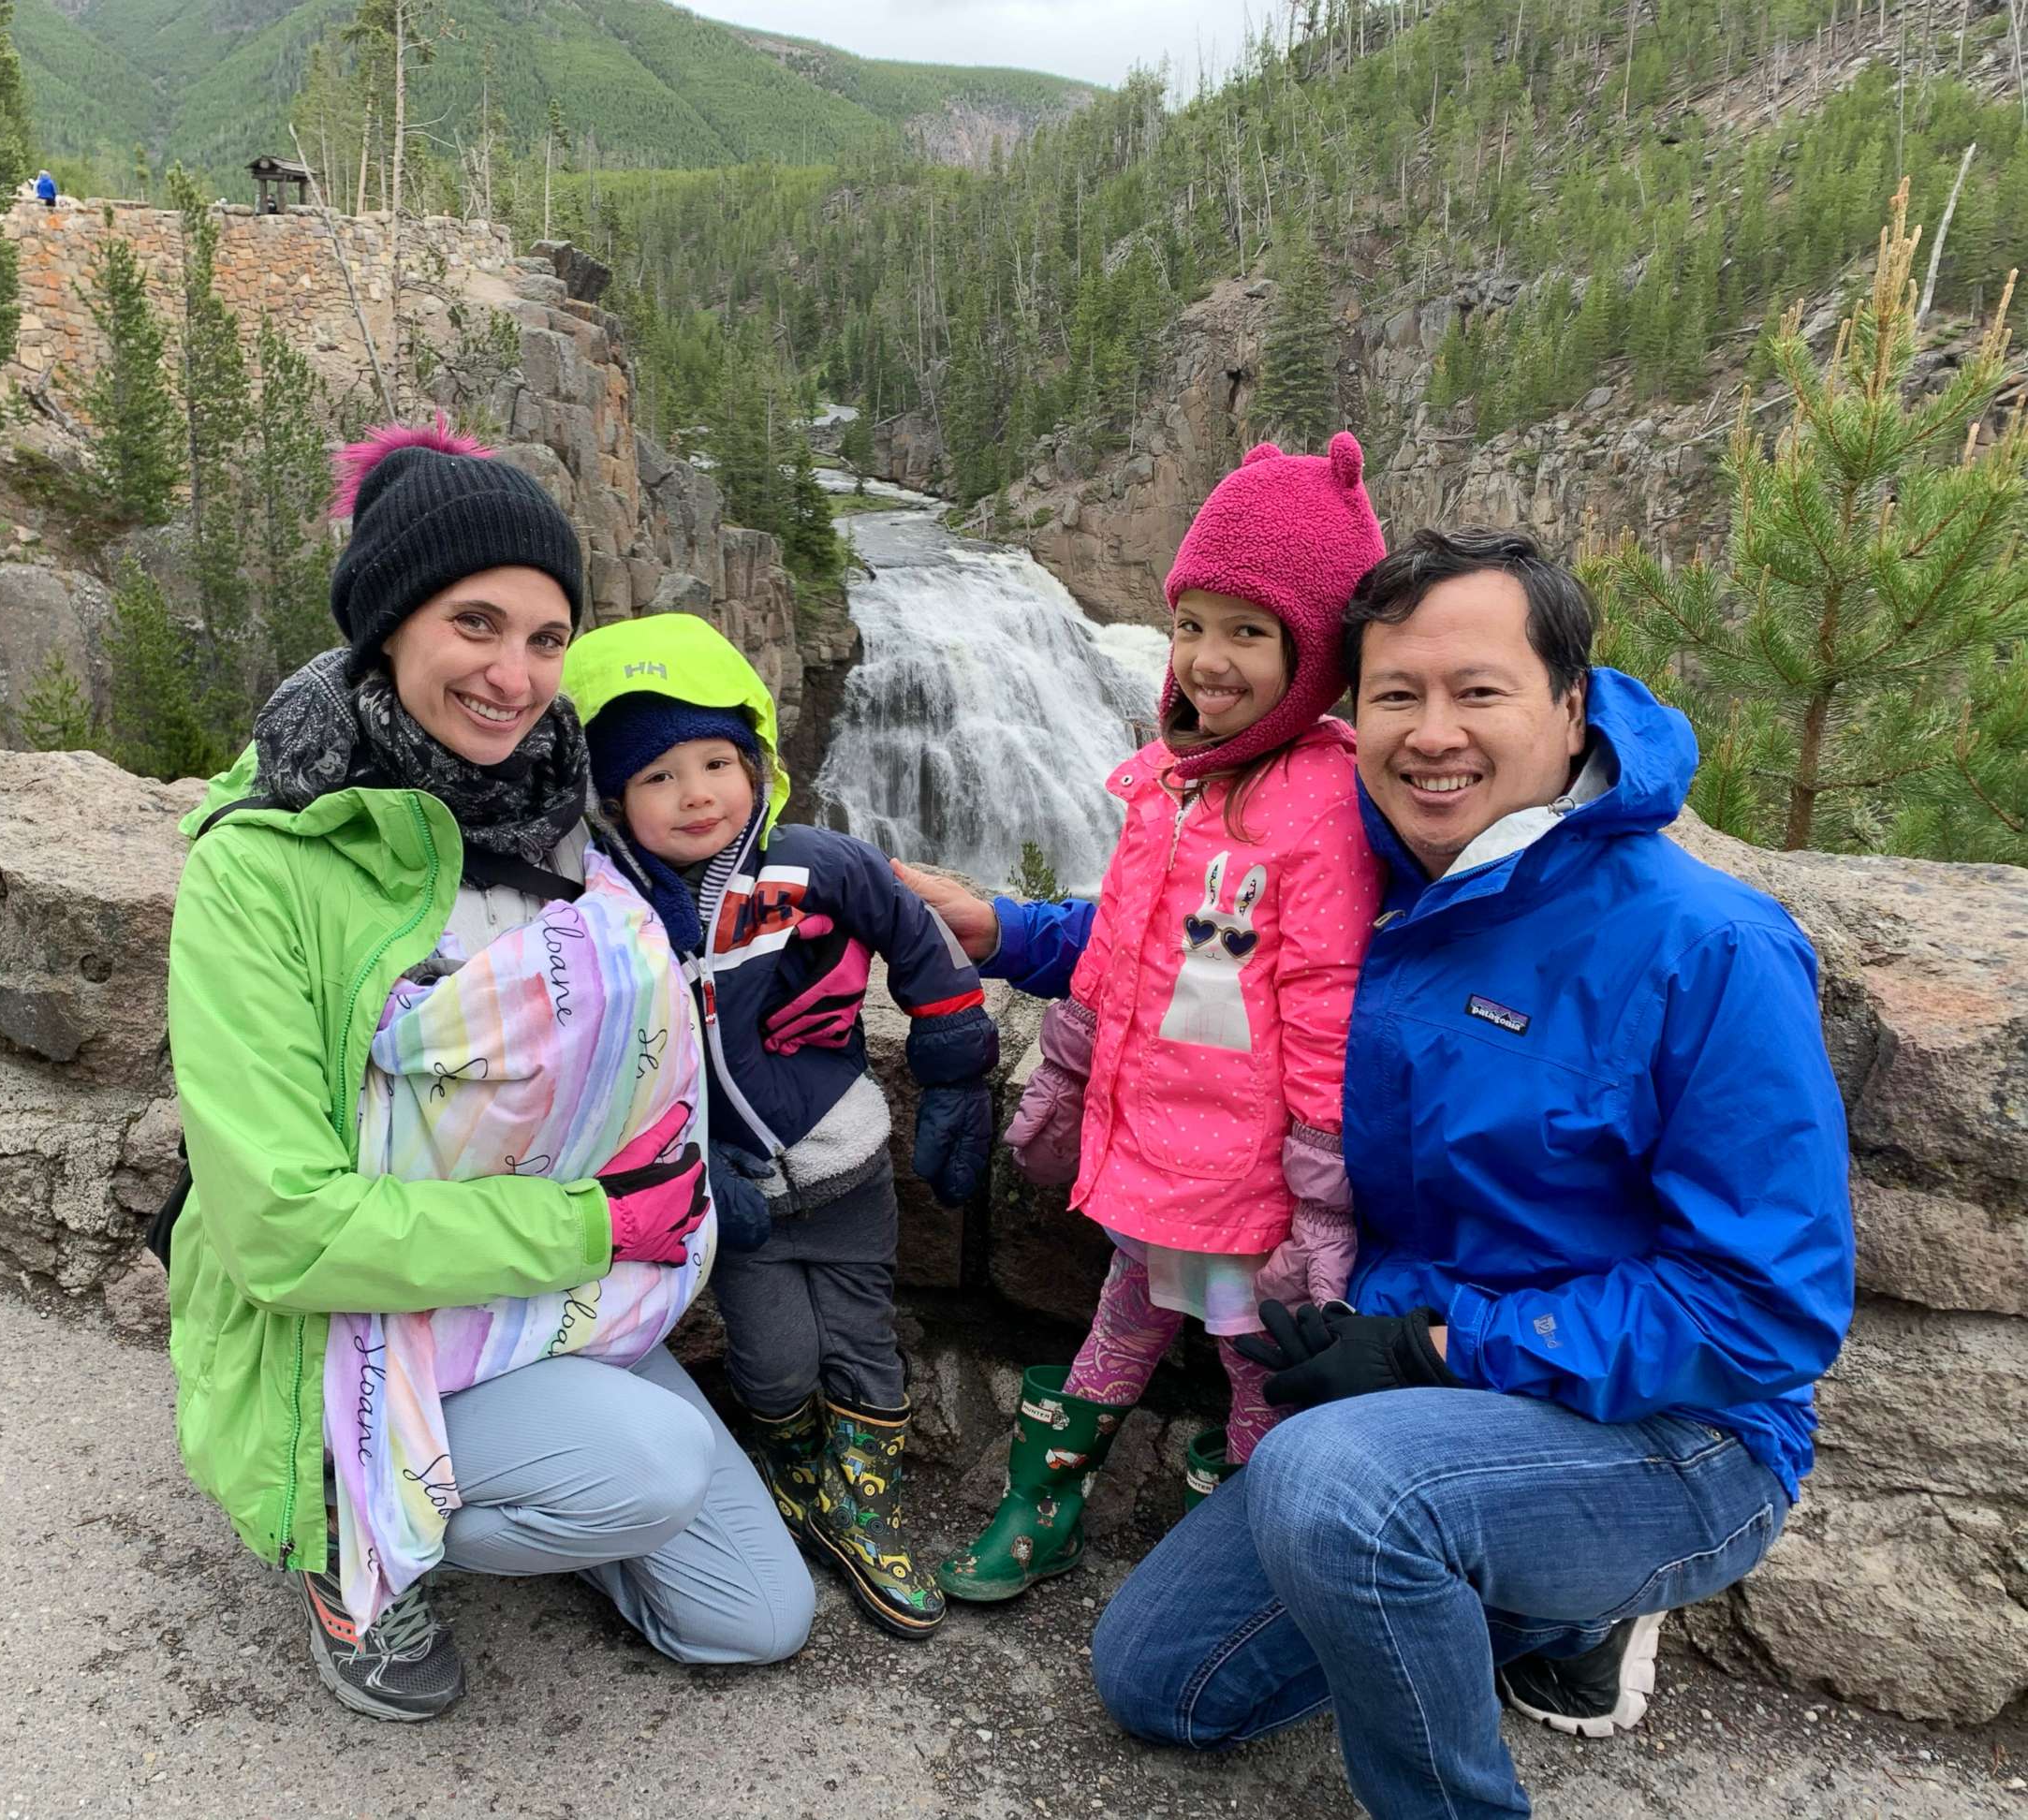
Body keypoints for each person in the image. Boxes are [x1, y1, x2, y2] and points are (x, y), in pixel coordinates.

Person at [897, 529, 1854, 1814]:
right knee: (1158, 1682)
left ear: (1573, 705)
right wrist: (1005, 931)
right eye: (1396, 695)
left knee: (1328, 1483)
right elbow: (1186, 945)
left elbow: (1767, 1314)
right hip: (1408, 1401)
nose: (1432, 732)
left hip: (1675, 1436)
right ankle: (1537, 1602)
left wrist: (1441, 1350)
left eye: (1479, 691)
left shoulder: (1707, 950)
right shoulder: (1364, 871)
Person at [163, 420, 813, 1725]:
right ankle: (354, 1547)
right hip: (354, 1318)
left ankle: (509, 1483)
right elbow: (283, 1229)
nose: (516, 678)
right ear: (390, 623)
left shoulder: (568, 812)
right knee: (655, 1463)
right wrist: (592, 1223)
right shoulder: (264, 864)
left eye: (547, 637)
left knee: (753, 1614)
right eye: (476, 625)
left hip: (540, 1296)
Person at [937, 437, 1386, 1607]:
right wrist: (1068, 1075)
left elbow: (1325, 1008)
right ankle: (1047, 1502)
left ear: (1314, 652)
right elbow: (1122, 952)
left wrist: (1320, 1192)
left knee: (1254, 1357)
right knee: (1122, 1316)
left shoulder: (1324, 807)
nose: (1207, 659)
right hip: (1152, 1149)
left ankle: (1238, 1532)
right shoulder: (1168, 786)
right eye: (1192, 623)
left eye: (1249, 632)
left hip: (1249, 1181)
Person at [565, 611, 1000, 1639]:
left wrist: (953, 1066)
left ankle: (866, 1497)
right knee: (772, 1359)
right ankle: (795, 1470)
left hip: (847, 1168)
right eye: (658, 777)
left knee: (863, 1341)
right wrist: (688, 1164)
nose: (697, 793)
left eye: (718, 761)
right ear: (613, 801)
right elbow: (596, 1066)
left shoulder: (815, 864)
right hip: (735, 1195)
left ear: (758, 766)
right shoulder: (612, 913)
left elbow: (918, 936)